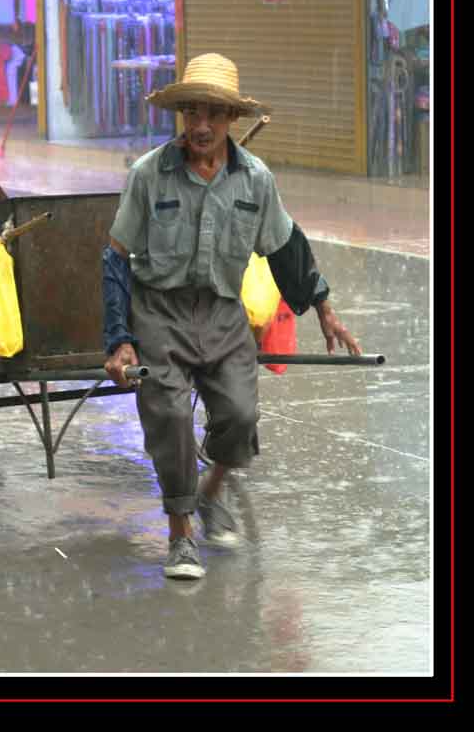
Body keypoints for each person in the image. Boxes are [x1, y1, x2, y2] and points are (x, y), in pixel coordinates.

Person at [103, 53, 361, 581]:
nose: (200, 126)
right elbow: (115, 257)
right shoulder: (148, 175)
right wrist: (119, 340)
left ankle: (210, 490)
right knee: (171, 414)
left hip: (222, 314)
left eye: (213, 115)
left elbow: (286, 248)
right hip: (159, 311)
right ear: (181, 116)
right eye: (192, 113)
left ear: (232, 121)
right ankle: (180, 536)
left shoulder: (255, 180)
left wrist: (325, 309)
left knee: (241, 416)